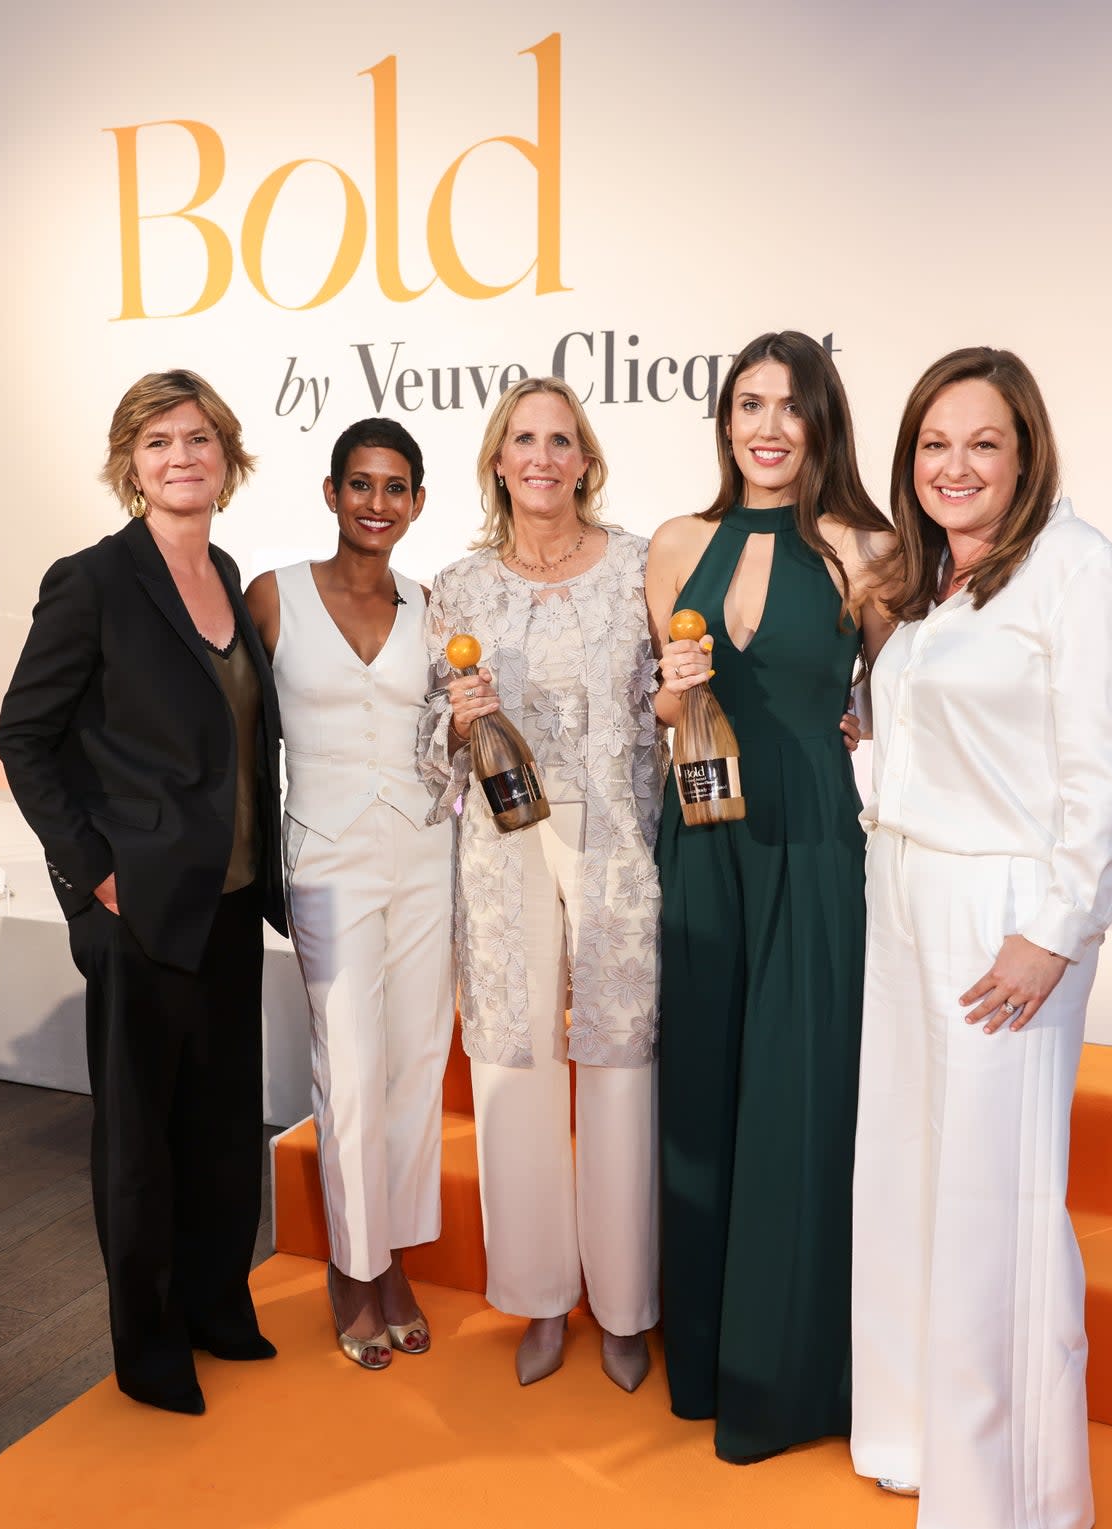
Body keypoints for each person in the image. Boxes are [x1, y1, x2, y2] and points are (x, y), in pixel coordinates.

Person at [849, 348, 1112, 1528]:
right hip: (910, 891)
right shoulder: (934, 586)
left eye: (982, 442)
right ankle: (925, 1439)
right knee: (917, 1179)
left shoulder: (1081, 573)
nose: (955, 465)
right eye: (934, 443)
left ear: (1025, 450)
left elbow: (1106, 771)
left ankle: (1018, 1496)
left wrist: (1055, 931)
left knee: (999, 1205)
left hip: (1008, 917)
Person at [0, 370, 286, 1415]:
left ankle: (216, 1305)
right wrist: (90, 874)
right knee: (140, 1142)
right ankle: (149, 1341)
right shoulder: (93, 579)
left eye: (200, 438)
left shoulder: (229, 570)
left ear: (227, 456)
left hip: (232, 898)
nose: (182, 457)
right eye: (159, 440)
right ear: (130, 461)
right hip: (137, 907)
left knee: (219, 1126)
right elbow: (22, 733)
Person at [646, 330, 895, 1462]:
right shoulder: (676, 542)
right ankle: (702, 1360)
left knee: (799, 1097)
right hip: (700, 837)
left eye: (792, 407)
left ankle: (789, 1378)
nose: (768, 427)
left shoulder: (869, 549)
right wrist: (669, 697)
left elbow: (903, 706)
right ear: (724, 417)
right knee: (701, 1089)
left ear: (824, 422)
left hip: (810, 841)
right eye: (750, 403)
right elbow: (669, 714)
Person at [417, 377, 662, 1391]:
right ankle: (538, 1294)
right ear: (498, 459)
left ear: (586, 459)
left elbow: (672, 698)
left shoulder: (640, 566)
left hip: (613, 844)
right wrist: (461, 724)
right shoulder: (459, 585)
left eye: (562, 439)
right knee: (514, 1063)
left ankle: (625, 1303)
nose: (544, 456)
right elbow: (428, 747)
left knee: (620, 1064)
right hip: (504, 847)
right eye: (524, 438)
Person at [245, 419, 454, 1371]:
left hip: (424, 855)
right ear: (331, 493)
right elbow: (239, 743)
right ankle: (351, 1267)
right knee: (352, 1065)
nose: (379, 503)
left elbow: (445, 735)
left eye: (397, 487)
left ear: (416, 501)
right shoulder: (273, 597)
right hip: (325, 858)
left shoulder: (430, 602)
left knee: (414, 1062)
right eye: (361, 484)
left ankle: (397, 1258)